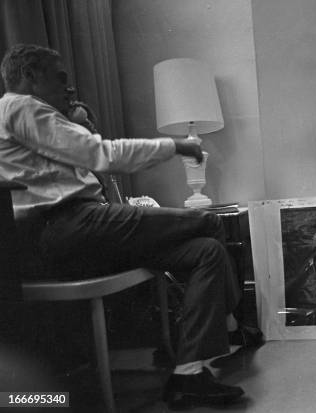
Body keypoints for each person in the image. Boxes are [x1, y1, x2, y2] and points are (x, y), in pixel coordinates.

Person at [0, 44, 261, 410]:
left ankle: (189, 373)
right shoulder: (21, 106)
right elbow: (103, 155)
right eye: (59, 78)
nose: (69, 86)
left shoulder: (33, 119)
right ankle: (233, 322)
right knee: (209, 221)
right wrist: (176, 145)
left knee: (208, 251)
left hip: (79, 226)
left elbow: (86, 167)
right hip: (67, 224)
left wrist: (76, 124)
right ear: (29, 76)